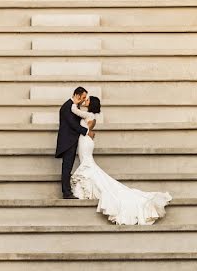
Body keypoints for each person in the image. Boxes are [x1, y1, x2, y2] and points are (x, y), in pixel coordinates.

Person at [70, 95, 172, 225]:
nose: (85, 100)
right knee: (88, 164)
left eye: (87, 99)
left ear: (91, 104)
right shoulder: (90, 115)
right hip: (85, 141)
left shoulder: (89, 115)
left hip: (85, 142)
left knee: (88, 164)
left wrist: (75, 100)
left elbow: (74, 110)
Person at [55, 86, 94, 199]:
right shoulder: (67, 106)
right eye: (83, 97)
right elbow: (73, 124)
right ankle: (66, 193)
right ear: (77, 95)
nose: (83, 100)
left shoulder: (74, 107)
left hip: (71, 142)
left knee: (68, 167)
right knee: (66, 168)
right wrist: (87, 131)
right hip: (68, 142)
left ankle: (67, 191)